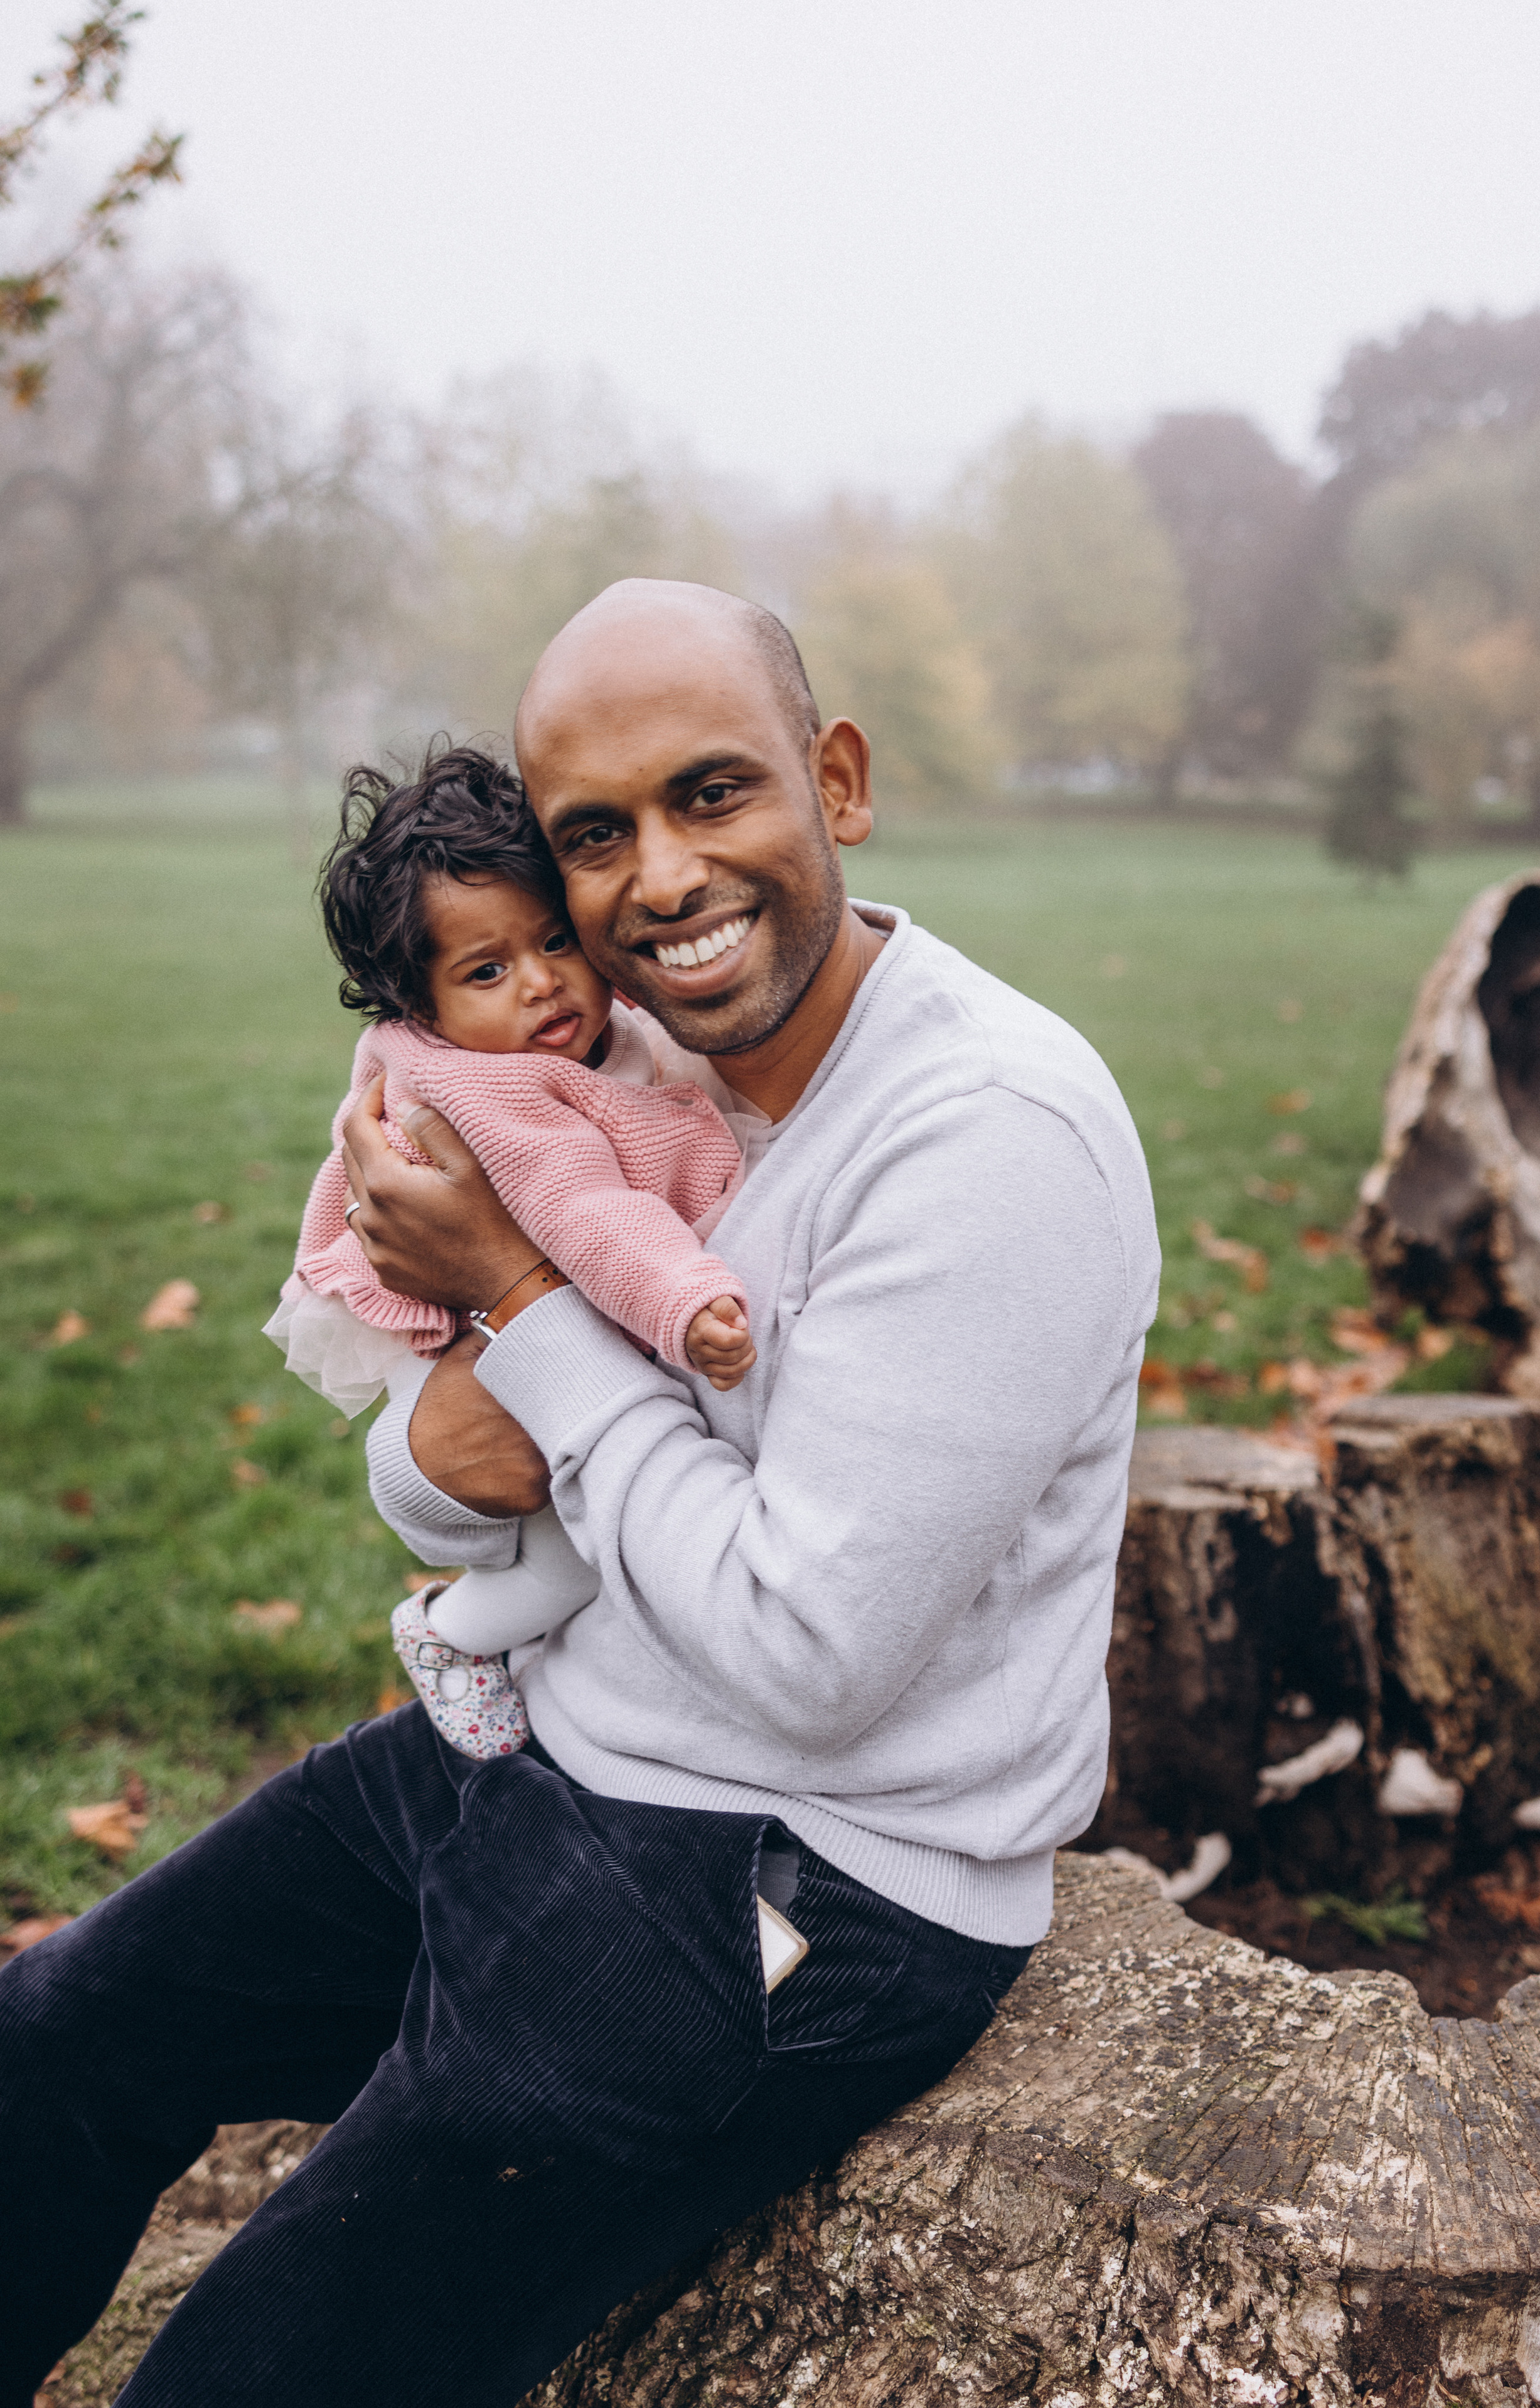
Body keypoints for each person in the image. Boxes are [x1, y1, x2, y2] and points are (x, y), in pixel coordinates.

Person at [0, 580, 1159, 2408]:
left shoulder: (987, 1134)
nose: (663, 878)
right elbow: (458, 1473)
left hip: (801, 1886)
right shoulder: (611, 1062)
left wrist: (536, 1308)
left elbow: (808, 1650)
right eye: (596, 835)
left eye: (716, 793)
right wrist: (425, 1438)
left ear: (837, 781)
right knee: (53, 2037)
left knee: (249, 2370)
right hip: (545, 1748)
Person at [268, 743, 754, 1757]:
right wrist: (682, 1297)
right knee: (574, 1558)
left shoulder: (550, 1040)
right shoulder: (497, 1096)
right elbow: (583, 1211)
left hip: (507, 1322)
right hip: (466, 1337)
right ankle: (449, 1635)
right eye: (487, 971)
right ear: (419, 1006)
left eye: (551, 940)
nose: (540, 984)